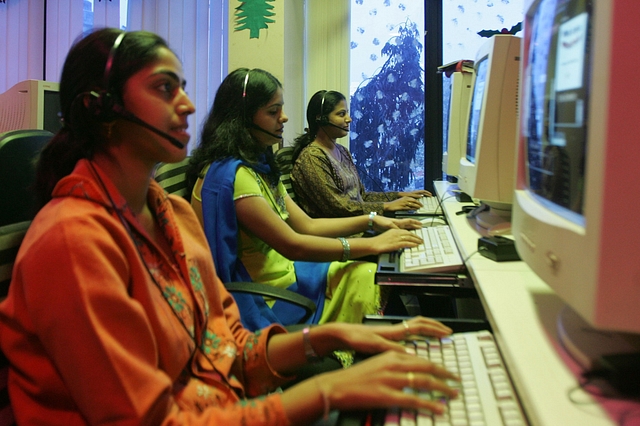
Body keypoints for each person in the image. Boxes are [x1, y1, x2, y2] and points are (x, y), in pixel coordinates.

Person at [0, 29, 460, 425]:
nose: (188, 104)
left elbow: (227, 347)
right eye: (164, 88)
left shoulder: (171, 215)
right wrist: (329, 391)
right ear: (99, 108)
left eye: (181, 85)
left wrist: (330, 335)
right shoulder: (71, 243)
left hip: (222, 400)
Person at [187, 68, 425, 331]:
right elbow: (293, 245)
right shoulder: (235, 178)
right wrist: (373, 244)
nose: (284, 117)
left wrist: (373, 221)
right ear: (242, 118)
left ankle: (406, 348)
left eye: (282, 108)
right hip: (265, 297)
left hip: (291, 273)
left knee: (373, 275)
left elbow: (308, 225)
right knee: (370, 276)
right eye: (273, 111)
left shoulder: (259, 167)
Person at [291, 90, 433, 219]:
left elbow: (362, 196)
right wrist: (387, 206)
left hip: (359, 225)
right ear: (320, 119)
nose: (349, 119)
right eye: (341, 114)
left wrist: (398, 196)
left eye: (347, 113)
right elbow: (338, 207)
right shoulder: (312, 158)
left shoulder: (341, 151)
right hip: (339, 236)